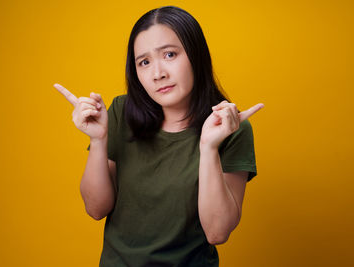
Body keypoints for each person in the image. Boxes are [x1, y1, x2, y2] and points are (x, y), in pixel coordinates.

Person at [54, 5, 264, 267]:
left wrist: (209, 147)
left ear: (196, 55)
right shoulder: (122, 111)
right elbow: (96, 209)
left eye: (169, 54)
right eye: (144, 62)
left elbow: (217, 232)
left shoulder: (231, 127)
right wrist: (98, 140)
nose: (158, 73)